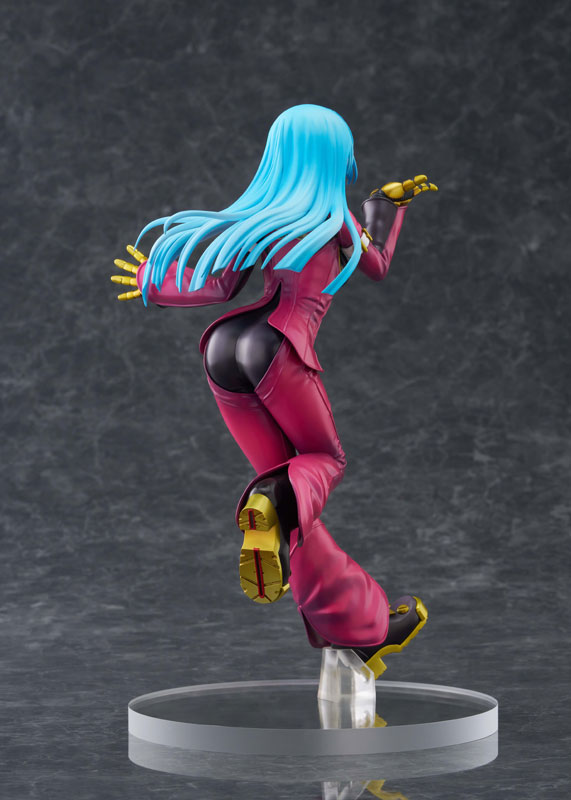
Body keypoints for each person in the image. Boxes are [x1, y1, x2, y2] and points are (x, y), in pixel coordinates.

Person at [111, 104, 437, 678]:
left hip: (225, 347)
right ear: (336, 159)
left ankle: (360, 628)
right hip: (278, 350)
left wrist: (153, 284)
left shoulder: (268, 219)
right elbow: (378, 263)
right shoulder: (335, 221)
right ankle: (270, 503)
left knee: (293, 505)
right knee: (323, 463)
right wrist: (387, 209)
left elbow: (220, 286)